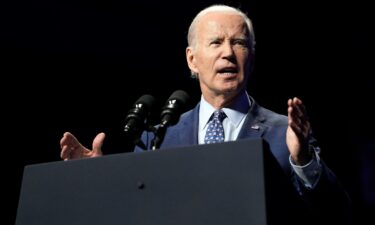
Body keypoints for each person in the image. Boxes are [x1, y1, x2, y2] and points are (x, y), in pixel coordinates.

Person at [60, 4, 351, 225]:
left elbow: (336, 213)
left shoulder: (283, 132)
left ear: (251, 56)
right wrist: (95, 180)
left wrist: (303, 161)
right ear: (192, 59)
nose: (228, 53)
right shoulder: (160, 136)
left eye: (239, 43)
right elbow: (132, 213)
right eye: (216, 42)